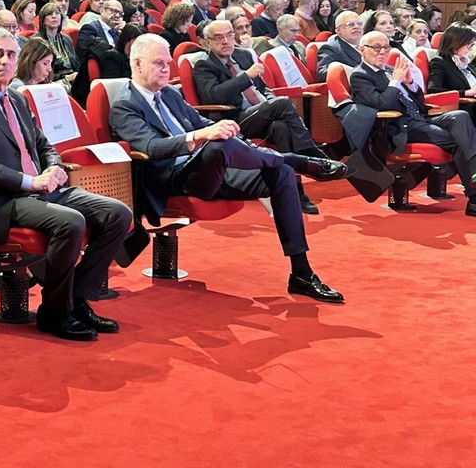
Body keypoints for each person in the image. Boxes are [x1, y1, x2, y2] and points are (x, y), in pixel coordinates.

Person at [109, 33, 346, 302]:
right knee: (217, 146)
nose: (166, 69)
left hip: (209, 170)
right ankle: (299, 161)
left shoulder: (170, 94)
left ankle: (301, 274)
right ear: (137, 63)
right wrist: (202, 135)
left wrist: (220, 128)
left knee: (279, 173)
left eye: (167, 63)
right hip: (174, 180)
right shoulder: (125, 105)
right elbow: (152, 147)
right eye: (158, 63)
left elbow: (199, 122)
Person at [0, 28, 131, 340]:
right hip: (3, 200)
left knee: (118, 214)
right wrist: (30, 181)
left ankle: (76, 300)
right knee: (71, 222)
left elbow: (43, 145)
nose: (5, 61)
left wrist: (55, 166)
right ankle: (55, 312)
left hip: (44, 189)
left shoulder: (17, 98)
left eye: (11, 54)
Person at [194, 20, 340, 212]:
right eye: (218, 38)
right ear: (208, 42)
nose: (226, 41)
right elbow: (213, 96)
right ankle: (310, 152)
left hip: (261, 112)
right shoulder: (204, 65)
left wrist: (269, 102)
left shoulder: (243, 55)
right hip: (234, 120)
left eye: (229, 35)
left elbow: (264, 89)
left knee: (281, 127)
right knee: (282, 103)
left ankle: (296, 192)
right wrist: (246, 76)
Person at [352, 30, 476, 216]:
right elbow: (382, 104)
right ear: (362, 50)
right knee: (460, 139)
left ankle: (474, 179)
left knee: (460, 116)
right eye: (376, 48)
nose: (382, 52)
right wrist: (396, 81)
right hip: (398, 127)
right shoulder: (360, 76)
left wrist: (410, 83)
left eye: (386, 47)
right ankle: (474, 198)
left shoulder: (389, 71)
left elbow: (419, 101)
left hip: (419, 118)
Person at [316, 11, 363, 81]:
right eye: (350, 24)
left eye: (359, 24)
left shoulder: (369, 44)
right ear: (338, 30)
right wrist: (348, 72)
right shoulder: (331, 48)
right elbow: (323, 74)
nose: (356, 27)